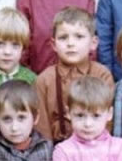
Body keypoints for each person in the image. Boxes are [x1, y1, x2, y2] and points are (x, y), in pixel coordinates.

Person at [35, 7, 114, 143]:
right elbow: (42, 128)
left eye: (79, 36)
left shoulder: (102, 75)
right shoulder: (45, 80)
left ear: (93, 43)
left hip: (96, 149)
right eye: (63, 37)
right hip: (55, 150)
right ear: (54, 44)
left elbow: (107, 121)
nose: (70, 43)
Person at [0, 7, 37, 91]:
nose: (7, 52)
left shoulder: (31, 80)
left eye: (15, 45)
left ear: (23, 48)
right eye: (0, 44)